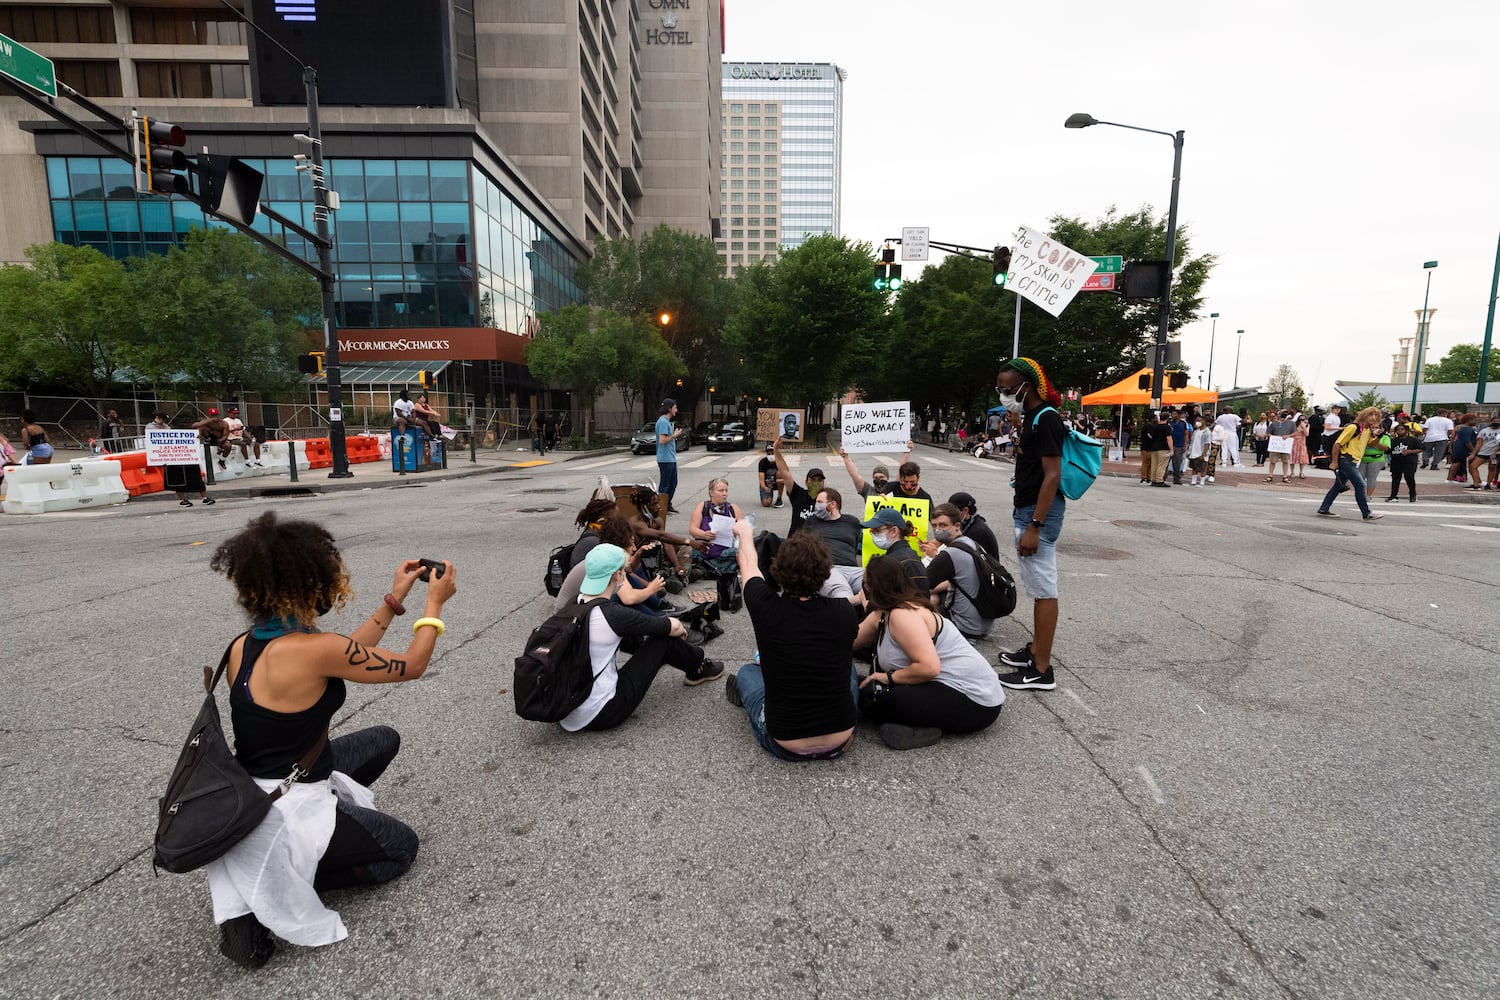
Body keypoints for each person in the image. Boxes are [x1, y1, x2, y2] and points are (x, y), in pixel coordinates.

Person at [203, 512, 456, 968]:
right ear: (310, 584)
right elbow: (410, 666)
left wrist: (395, 600)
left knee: (382, 738)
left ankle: (317, 848)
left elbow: (344, 654)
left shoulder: (246, 643)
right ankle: (273, 893)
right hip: (288, 806)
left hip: (257, 784)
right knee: (401, 849)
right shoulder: (313, 649)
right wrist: (433, 606)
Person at [725, 522, 860, 760]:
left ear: (778, 571)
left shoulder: (765, 606)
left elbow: (747, 564)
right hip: (841, 737)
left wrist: (745, 532)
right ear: (825, 572)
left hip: (785, 742)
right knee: (848, 667)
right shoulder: (844, 611)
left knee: (747, 672)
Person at [560, 544, 724, 732]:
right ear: (616, 576)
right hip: (603, 712)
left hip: (566, 707)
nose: (624, 574)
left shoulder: (573, 604)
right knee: (664, 639)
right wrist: (676, 631)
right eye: (623, 571)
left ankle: (687, 662)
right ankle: (698, 667)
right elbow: (673, 626)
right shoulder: (613, 614)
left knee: (630, 638)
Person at [854, 555, 1005, 751]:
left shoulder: (904, 615)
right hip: (939, 685)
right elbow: (850, 642)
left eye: (864, 584)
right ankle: (909, 718)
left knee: (888, 701)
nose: (862, 589)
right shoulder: (882, 613)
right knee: (866, 691)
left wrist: (888, 677)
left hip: (975, 699)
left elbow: (929, 667)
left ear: (874, 587)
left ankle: (923, 728)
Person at [994, 357, 1066, 691]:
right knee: (1037, 588)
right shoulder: (1033, 417)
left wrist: (1035, 525)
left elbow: (1052, 475)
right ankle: (1035, 652)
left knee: (1043, 590)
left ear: (1027, 386)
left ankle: (1040, 670)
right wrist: (1018, 427)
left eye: (1007, 389)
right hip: (1027, 509)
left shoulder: (1047, 418)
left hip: (1038, 514)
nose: (1003, 394)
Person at [553, 516, 670, 613]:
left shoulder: (607, 554)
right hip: (569, 614)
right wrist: (650, 589)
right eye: (631, 544)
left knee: (626, 580)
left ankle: (657, 609)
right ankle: (657, 619)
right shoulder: (611, 561)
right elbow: (628, 598)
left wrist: (638, 555)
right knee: (621, 599)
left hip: (578, 605)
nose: (634, 548)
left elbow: (628, 570)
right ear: (621, 544)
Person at [920, 503, 996, 641]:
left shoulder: (950, 554)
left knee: (919, 599)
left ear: (957, 526)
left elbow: (922, 585)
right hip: (983, 624)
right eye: (934, 526)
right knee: (935, 596)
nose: (938, 530)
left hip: (963, 627)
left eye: (943, 525)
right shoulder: (971, 543)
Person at [795, 485, 866, 598]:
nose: (816, 505)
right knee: (842, 591)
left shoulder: (852, 522)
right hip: (829, 568)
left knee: (879, 584)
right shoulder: (811, 522)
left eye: (819, 502)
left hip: (853, 570)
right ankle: (851, 604)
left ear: (833, 504)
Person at [1317, 406, 1384, 520]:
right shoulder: (1353, 427)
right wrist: (1334, 462)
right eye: (1370, 415)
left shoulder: (1367, 430)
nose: (1373, 418)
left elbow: (1371, 444)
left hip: (1352, 461)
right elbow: (1337, 444)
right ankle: (1366, 513)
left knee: (1338, 486)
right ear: (1364, 416)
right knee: (1361, 485)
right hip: (1346, 459)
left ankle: (1324, 508)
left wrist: (1379, 436)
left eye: (1376, 415)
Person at [861, 506, 928, 597]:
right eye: (871, 531)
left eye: (877, 530)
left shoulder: (900, 560)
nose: (873, 534)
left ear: (893, 531)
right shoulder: (904, 555)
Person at [687, 477, 746, 576]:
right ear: (711, 492)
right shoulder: (703, 507)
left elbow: (745, 531)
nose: (724, 494)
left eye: (726, 490)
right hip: (706, 549)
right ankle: (712, 568)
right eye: (721, 491)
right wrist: (705, 534)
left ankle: (708, 569)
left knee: (739, 552)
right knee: (688, 551)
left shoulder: (733, 508)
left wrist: (736, 532)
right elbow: (692, 529)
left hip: (726, 551)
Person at [773, 436, 825, 535]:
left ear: (823, 483)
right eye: (813, 479)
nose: (816, 483)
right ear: (806, 482)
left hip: (816, 545)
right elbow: (785, 472)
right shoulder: (798, 494)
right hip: (795, 544)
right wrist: (776, 450)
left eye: (819, 480)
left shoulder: (828, 499)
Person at [838, 442, 912, 499]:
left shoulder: (894, 489)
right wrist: (846, 457)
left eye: (882, 477)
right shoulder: (867, 490)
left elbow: (901, 471)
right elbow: (855, 476)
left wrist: (906, 453)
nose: (879, 479)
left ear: (887, 478)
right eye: (876, 477)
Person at [947, 492, 1000, 560]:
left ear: (965, 510)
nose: (949, 515)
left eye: (953, 512)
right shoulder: (969, 523)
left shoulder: (976, 532)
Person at [1385, 414, 1424, 503]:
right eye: (1398, 429)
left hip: (1409, 462)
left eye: (1402, 429)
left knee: (1409, 478)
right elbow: (1388, 451)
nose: (1400, 431)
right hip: (1396, 462)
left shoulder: (1413, 440)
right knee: (1395, 479)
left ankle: (1412, 494)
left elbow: (1421, 449)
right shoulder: (1393, 441)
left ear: (1406, 431)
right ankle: (1393, 495)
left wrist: (1410, 452)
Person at [655, 397, 683, 513]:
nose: (676, 410)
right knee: (665, 484)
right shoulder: (662, 422)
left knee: (673, 483)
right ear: (669, 409)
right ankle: (661, 506)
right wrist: (674, 435)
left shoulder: (666, 422)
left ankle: (668, 504)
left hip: (670, 458)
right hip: (665, 459)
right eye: (675, 407)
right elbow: (662, 440)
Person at [1358, 422, 1391, 495]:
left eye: (1377, 428)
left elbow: (1385, 448)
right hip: (1363, 459)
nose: (1375, 429)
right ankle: (1361, 494)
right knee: (1360, 478)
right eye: (1373, 427)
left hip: (1376, 459)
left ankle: (1368, 495)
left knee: (1371, 478)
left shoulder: (1385, 437)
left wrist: (1377, 440)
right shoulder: (1366, 435)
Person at [1468, 416, 1500, 490]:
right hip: (1483, 452)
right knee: (1473, 466)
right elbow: (1479, 443)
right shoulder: (1484, 431)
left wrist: (1495, 452)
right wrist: (1474, 453)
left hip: (1495, 453)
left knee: (1492, 468)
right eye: (1494, 421)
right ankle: (1476, 483)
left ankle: (1488, 484)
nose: (1496, 423)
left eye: (1498, 421)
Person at [1142, 409, 1172, 487]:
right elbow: (1169, 438)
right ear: (1167, 418)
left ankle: (1153, 479)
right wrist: (1171, 449)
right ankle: (1159, 480)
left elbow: (1152, 437)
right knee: (1162, 464)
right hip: (1163, 448)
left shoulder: (1155, 427)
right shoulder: (1167, 427)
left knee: (1154, 464)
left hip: (1154, 447)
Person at [1265, 411, 1296, 483]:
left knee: (1285, 461)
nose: (1283, 416)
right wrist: (1274, 437)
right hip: (1275, 445)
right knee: (1272, 461)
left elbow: (1295, 433)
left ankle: (1285, 476)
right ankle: (1270, 475)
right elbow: (1267, 433)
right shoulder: (1273, 424)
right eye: (1282, 414)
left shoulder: (1291, 423)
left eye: (1285, 414)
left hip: (1285, 445)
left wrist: (1288, 436)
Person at [1447, 413, 1478, 483]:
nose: (1476, 421)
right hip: (1461, 449)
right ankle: (1450, 478)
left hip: (1459, 448)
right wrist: (1473, 451)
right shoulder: (1466, 429)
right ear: (1468, 420)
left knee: (1460, 463)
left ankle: (1458, 477)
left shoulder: (1463, 428)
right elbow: (1467, 441)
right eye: (1474, 420)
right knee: (1456, 463)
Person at [757, 443, 785, 508]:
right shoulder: (762, 462)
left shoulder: (780, 461)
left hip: (777, 482)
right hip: (767, 484)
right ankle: (769, 494)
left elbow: (786, 480)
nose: (770, 455)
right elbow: (761, 479)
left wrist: (776, 481)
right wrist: (764, 487)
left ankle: (779, 498)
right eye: (768, 453)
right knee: (766, 503)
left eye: (772, 453)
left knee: (779, 473)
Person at [1168, 408, 1189, 485]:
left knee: (1177, 463)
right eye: (1172, 414)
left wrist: (1185, 445)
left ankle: (1176, 478)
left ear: (1179, 415)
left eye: (1175, 414)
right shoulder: (1170, 423)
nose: (1173, 416)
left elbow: (1186, 434)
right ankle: (1163, 476)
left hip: (1179, 445)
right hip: (1170, 445)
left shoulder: (1183, 424)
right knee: (1166, 462)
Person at [1290, 411, 1311, 479]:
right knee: (1292, 458)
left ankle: (1301, 472)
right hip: (1294, 442)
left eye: (1304, 419)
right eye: (1301, 419)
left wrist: (1304, 427)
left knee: (1301, 458)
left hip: (1301, 443)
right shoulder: (1294, 425)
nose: (1302, 420)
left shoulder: (1307, 425)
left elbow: (1307, 434)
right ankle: (1292, 472)